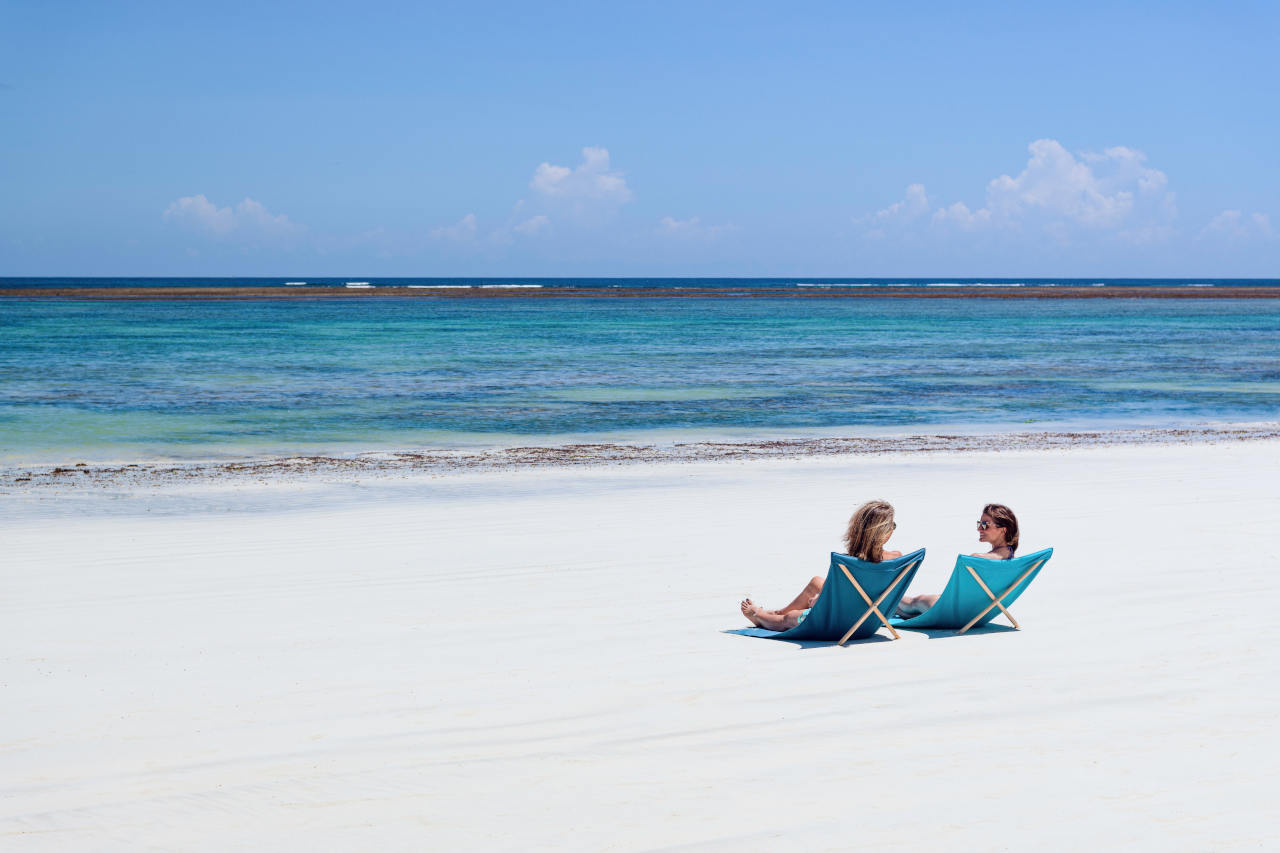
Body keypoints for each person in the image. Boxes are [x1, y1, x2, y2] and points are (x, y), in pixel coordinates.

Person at [739, 500, 904, 631]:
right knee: (817, 582)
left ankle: (760, 615)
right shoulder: (897, 560)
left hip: (840, 624)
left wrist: (818, 602)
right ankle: (775, 612)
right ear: (885, 533)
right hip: (872, 621)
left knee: (789, 618)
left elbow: (835, 601)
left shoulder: (848, 564)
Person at [896, 503, 1019, 617]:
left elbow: (956, 593)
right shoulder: (1010, 558)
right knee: (922, 602)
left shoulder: (978, 559)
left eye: (985, 525)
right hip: (979, 613)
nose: (979, 529)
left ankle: (889, 601)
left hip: (953, 612)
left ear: (1003, 530)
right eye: (979, 524)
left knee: (915, 601)